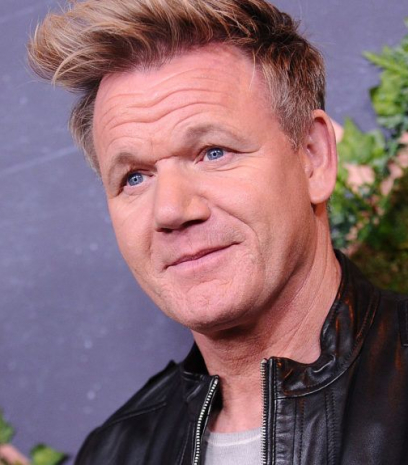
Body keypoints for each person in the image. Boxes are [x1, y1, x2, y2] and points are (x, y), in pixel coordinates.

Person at [28, 0, 408, 463]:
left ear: (313, 157)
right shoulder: (110, 454)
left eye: (213, 152)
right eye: (135, 177)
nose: (171, 210)